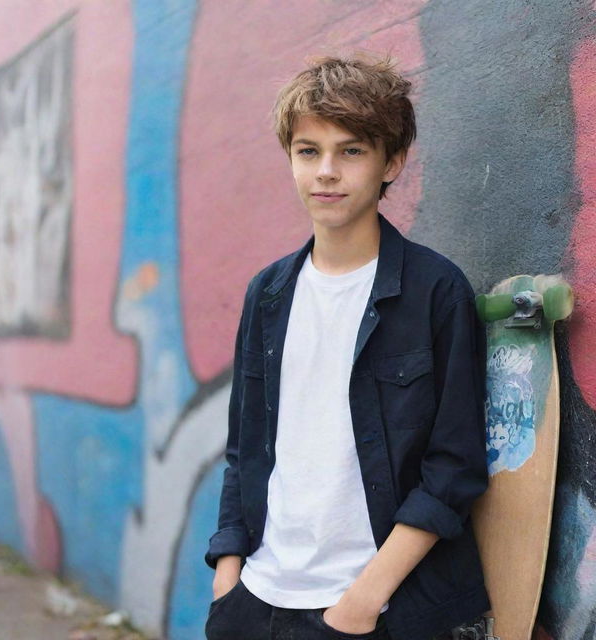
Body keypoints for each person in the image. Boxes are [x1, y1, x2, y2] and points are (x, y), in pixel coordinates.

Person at [204, 51, 492, 640]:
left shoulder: (436, 292)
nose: (326, 172)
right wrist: (229, 575)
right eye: (308, 151)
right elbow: (245, 446)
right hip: (257, 597)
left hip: (372, 612)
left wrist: (362, 602)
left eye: (351, 151)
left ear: (392, 162)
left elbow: (454, 467)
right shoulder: (269, 293)